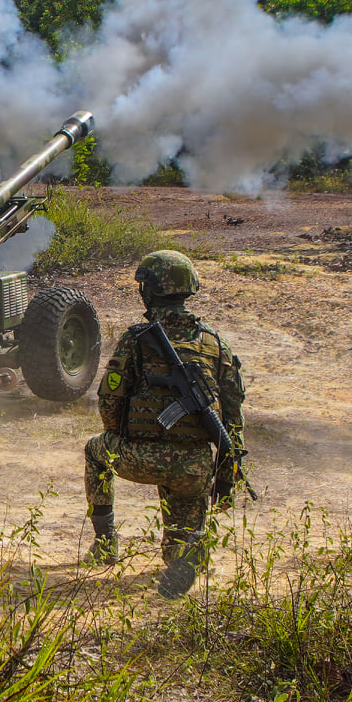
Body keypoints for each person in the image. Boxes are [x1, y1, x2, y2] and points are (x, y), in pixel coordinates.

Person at [83, 250, 246, 600]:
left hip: (139, 458)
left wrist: (127, 434)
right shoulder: (215, 344)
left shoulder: (136, 339)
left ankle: (105, 545)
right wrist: (227, 472)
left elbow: (109, 404)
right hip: (194, 467)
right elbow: (233, 418)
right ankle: (185, 552)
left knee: (95, 452)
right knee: (180, 538)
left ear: (149, 291)